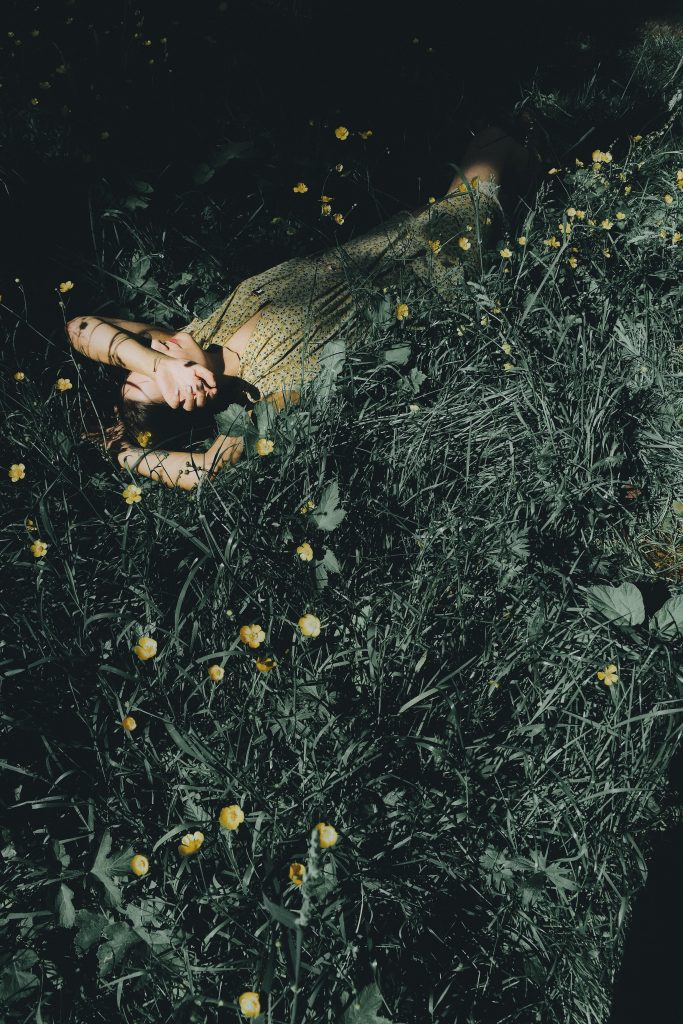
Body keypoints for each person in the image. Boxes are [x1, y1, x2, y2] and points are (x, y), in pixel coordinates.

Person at [68, 122, 544, 491]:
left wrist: (152, 362)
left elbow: (80, 327)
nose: (150, 349)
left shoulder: (203, 331)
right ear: (194, 394)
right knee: (497, 156)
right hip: (431, 265)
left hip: (390, 238)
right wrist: (124, 455)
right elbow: (206, 471)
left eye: (138, 357)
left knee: (492, 153)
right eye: (158, 378)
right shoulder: (266, 396)